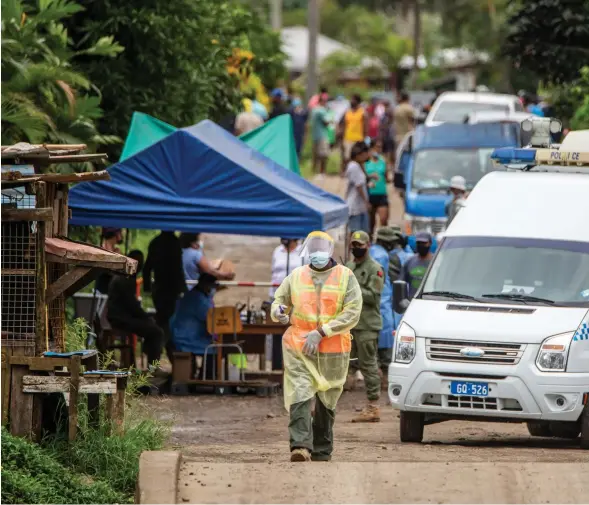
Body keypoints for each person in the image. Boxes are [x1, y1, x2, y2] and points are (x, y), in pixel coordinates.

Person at [271, 231, 362, 462]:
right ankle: (300, 446)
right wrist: (279, 312)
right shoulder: (297, 276)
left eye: (322, 250)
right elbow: (279, 301)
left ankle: (322, 448)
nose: (318, 255)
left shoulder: (345, 276)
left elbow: (352, 311)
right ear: (308, 252)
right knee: (300, 392)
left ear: (330, 251)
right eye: (314, 250)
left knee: (326, 399)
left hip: (333, 349)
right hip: (299, 347)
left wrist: (322, 332)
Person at [170, 233, 236, 372]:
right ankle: (207, 378)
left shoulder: (190, 295)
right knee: (217, 349)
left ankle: (202, 375)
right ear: (208, 286)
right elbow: (213, 321)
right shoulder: (199, 299)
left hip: (180, 335)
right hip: (187, 339)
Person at [345, 230, 384, 422]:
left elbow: (373, 297)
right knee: (344, 364)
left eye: (360, 246)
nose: (356, 249)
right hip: (348, 324)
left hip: (367, 324)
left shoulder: (374, 268)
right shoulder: (349, 266)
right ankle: (327, 405)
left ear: (368, 246)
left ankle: (373, 407)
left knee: (368, 365)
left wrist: (353, 287)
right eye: (354, 245)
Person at [107, 250, 165, 367]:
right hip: (121, 318)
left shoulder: (125, 276)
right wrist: (145, 315)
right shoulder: (124, 278)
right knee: (156, 332)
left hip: (123, 316)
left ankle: (148, 355)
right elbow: (131, 304)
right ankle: (152, 365)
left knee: (152, 326)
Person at [142, 231, 186, 360]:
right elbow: (179, 268)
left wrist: (147, 289)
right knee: (168, 325)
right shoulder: (175, 243)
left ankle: (159, 353)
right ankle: (167, 353)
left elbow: (147, 268)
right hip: (171, 290)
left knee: (164, 323)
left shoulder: (155, 242)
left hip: (159, 290)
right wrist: (183, 289)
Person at [269, 238, 305, 371]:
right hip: (277, 297)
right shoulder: (277, 251)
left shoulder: (302, 252)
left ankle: (296, 368)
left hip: (297, 299)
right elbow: (273, 272)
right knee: (276, 332)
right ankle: (277, 368)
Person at [369, 229, 395, 390]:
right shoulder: (382, 256)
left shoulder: (373, 251)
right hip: (381, 303)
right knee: (384, 341)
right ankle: (383, 378)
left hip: (379, 302)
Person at [345, 141, 371, 234]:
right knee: (356, 234)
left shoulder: (359, 166)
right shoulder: (354, 167)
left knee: (363, 233)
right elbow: (358, 186)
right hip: (355, 207)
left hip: (360, 207)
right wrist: (366, 202)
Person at [365, 139, 389, 234]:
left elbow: (387, 177)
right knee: (371, 222)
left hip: (382, 194)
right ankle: (370, 241)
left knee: (383, 220)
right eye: (377, 147)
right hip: (370, 195)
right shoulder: (366, 163)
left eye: (380, 147)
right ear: (372, 148)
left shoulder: (383, 161)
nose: (379, 149)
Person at [402, 232, 433, 299]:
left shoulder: (435, 262)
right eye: (419, 243)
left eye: (424, 243)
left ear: (430, 243)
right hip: (412, 302)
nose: (421, 245)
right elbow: (402, 284)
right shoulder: (409, 262)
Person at [340, 94, 367, 172]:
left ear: (357, 101)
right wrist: (342, 138)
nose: (351, 101)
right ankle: (347, 172)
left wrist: (364, 138)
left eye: (353, 99)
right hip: (348, 138)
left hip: (359, 138)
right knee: (347, 157)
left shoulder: (362, 112)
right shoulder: (347, 112)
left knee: (359, 158)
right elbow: (344, 125)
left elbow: (365, 126)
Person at [95, 227, 124, 294]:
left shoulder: (115, 250)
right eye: (120, 232)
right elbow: (111, 270)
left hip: (112, 289)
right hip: (103, 289)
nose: (121, 234)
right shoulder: (102, 249)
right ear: (116, 234)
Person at [310, 93, 331, 176]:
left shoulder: (314, 109)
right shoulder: (321, 110)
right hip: (322, 135)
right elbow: (326, 122)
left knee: (315, 154)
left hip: (315, 135)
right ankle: (322, 172)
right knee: (323, 155)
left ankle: (314, 171)